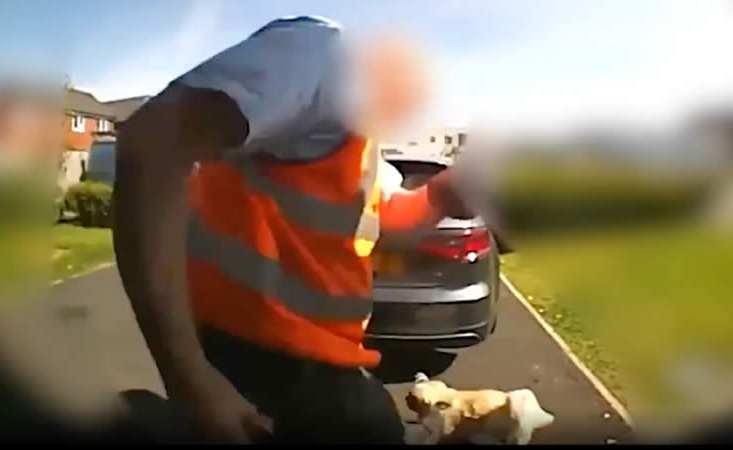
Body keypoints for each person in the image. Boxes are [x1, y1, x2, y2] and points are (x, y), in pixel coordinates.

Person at [112, 16, 497, 444]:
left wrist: (443, 196)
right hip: (273, 366)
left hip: (320, 364)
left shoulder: (358, 133)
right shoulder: (322, 53)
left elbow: (382, 218)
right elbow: (152, 143)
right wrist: (190, 379)